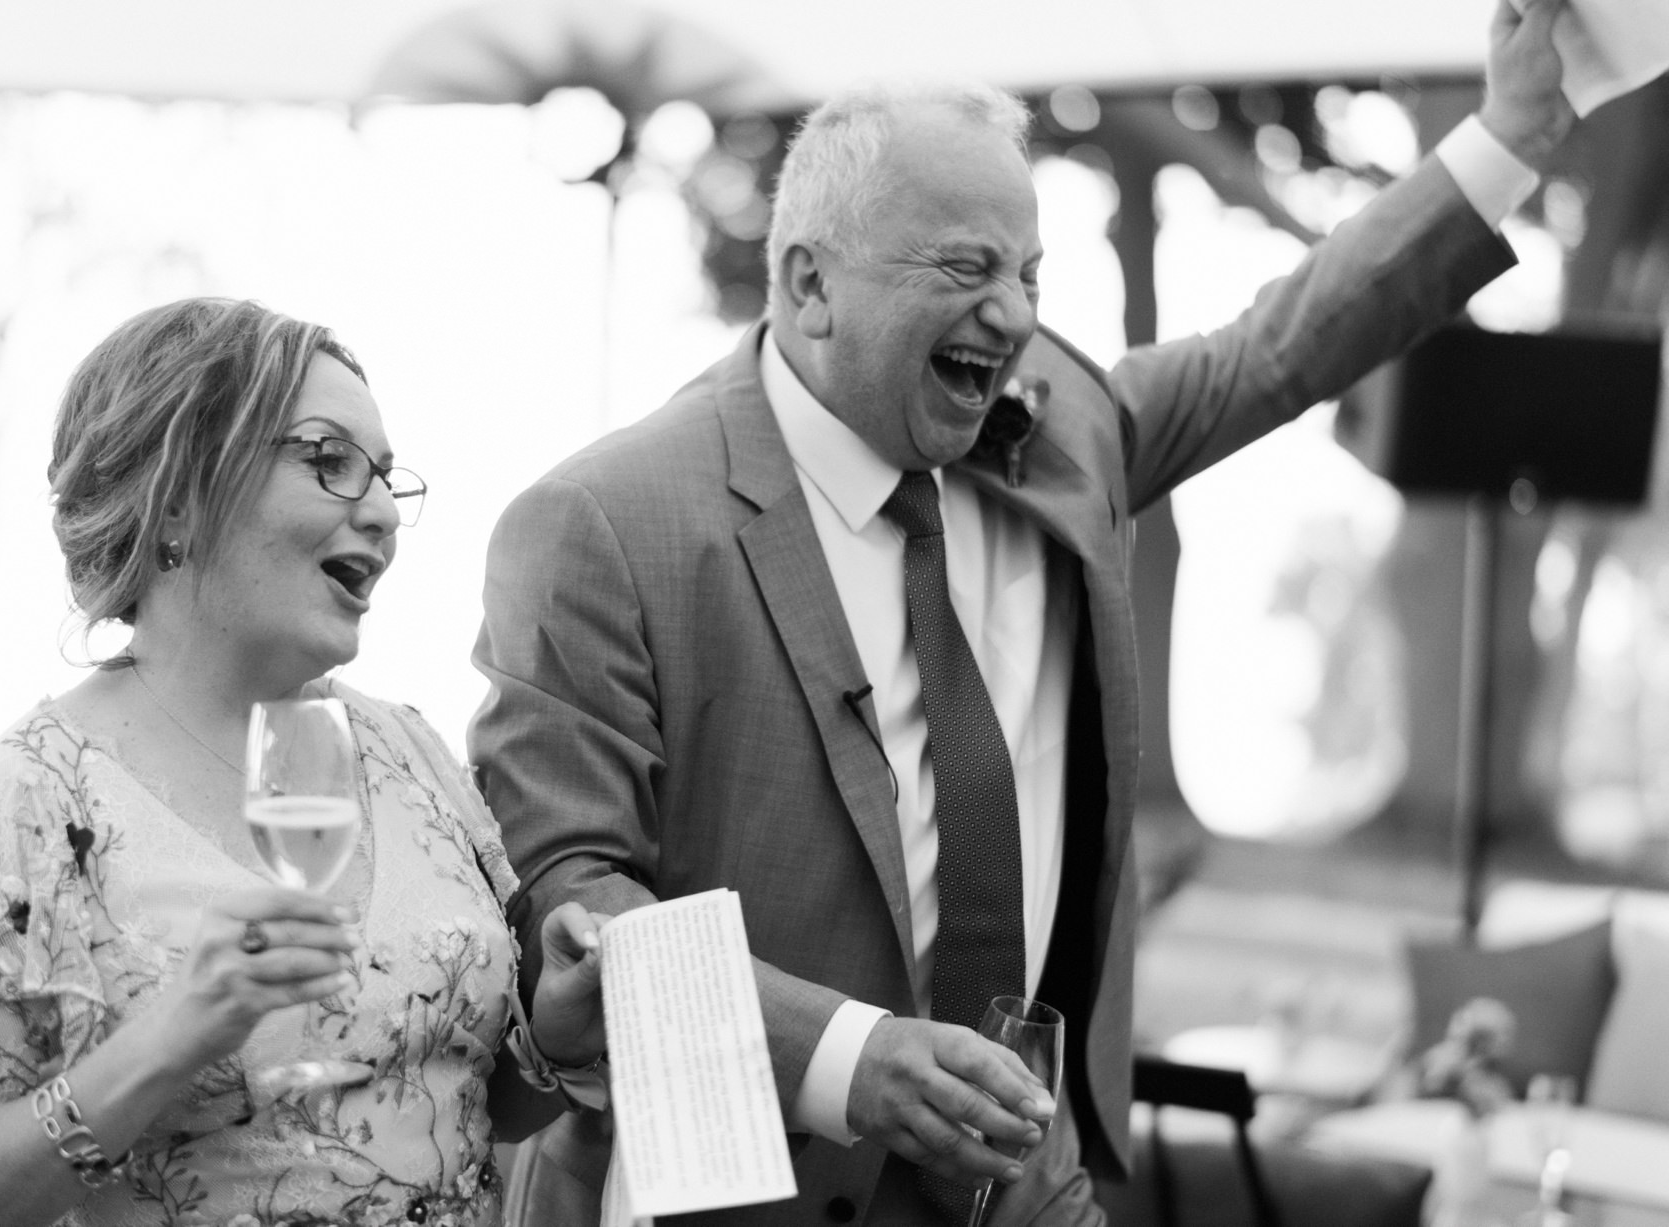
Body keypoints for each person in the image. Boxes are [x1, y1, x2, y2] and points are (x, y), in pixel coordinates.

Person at [470, 2, 1578, 1221]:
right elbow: (570, 901)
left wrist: (1509, 136)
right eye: (963, 266)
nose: (1011, 316)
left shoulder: (1064, 432)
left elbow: (1287, 345)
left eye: (1027, 271)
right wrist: (852, 1060)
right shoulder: (602, 523)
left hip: (1027, 1187)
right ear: (809, 284)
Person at [0, 298, 609, 1227]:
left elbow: (467, 1103)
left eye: (385, 477)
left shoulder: (416, 759)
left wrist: (555, 1038)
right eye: (329, 461)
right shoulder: (19, 809)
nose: (379, 513)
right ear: (178, 495)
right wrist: (170, 1038)